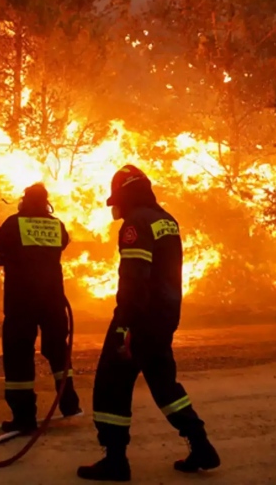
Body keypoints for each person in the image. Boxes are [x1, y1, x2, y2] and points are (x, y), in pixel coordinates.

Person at [77, 165, 220, 481]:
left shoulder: (136, 223)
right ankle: (201, 444)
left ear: (126, 195)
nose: (116, 207)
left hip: (138, 318)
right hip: (164, 317)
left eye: (118, 199)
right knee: (164, 383)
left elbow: (135, 278)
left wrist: (125, 324)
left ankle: (115, 461)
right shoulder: (166, 220)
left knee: (111, 385)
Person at [0, 183, 81, 433]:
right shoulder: (56, 225)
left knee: (18, 354)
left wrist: (15, 258)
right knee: (57, 350)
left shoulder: (13, 224)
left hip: (21, 300)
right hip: (53, 299)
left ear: (23, 201)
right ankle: (69, 403)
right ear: (46, 203)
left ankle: (24, 417)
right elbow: (63, 243)